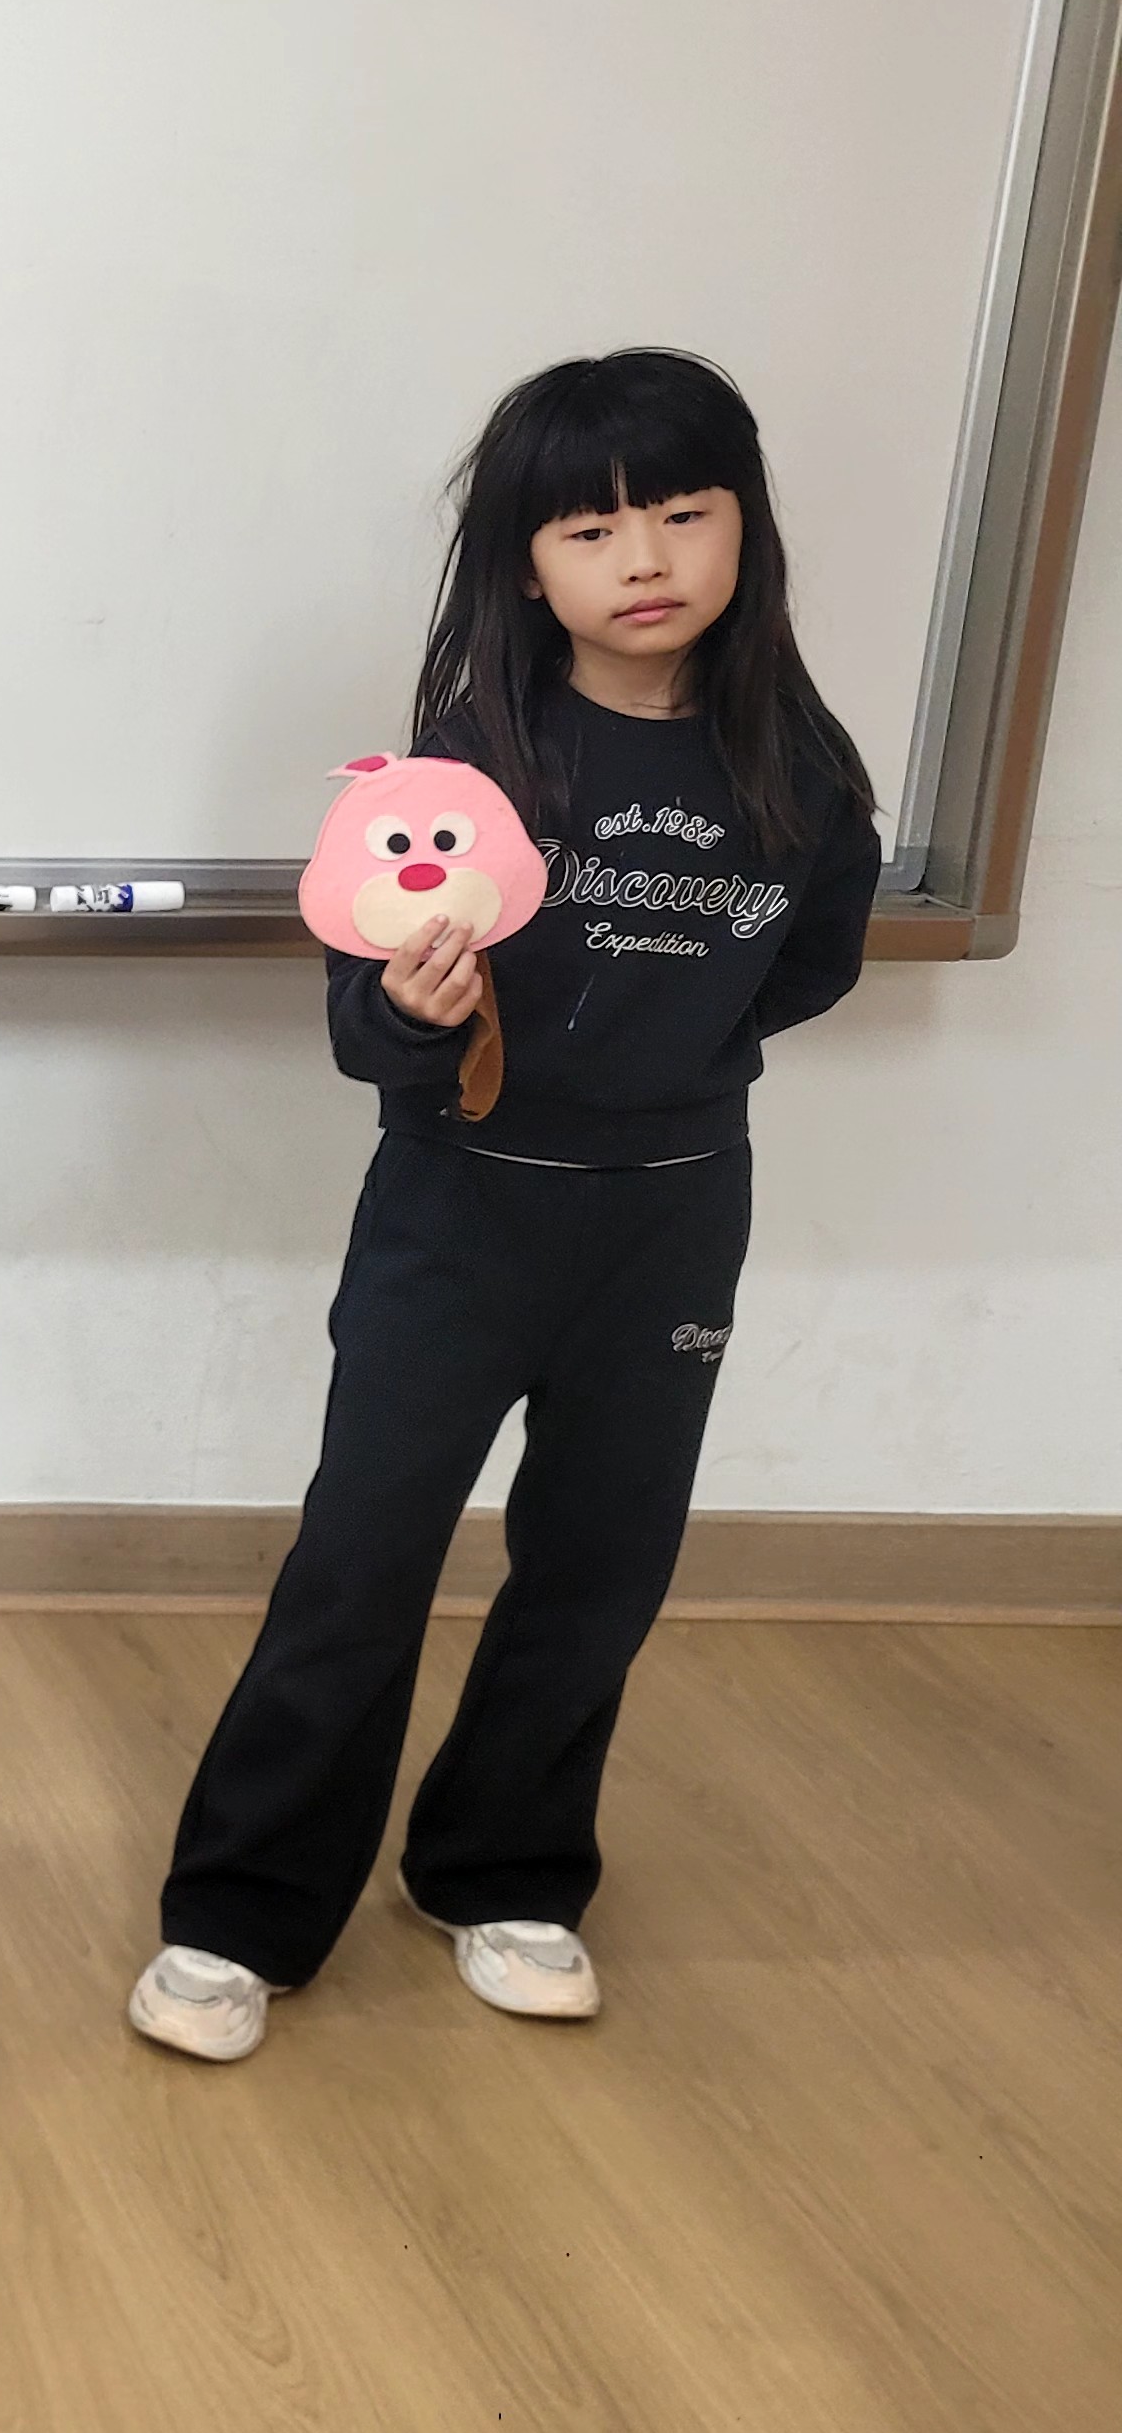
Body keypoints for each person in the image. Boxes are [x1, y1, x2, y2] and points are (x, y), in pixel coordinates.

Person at [132, 349, 879, 2065]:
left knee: (602, 1563)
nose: (646, 558)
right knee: (364, 1557)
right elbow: (362, 1017)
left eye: (683, 512)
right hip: (461, 1210)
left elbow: (810, 963)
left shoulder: (803, 761)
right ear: (527, 567)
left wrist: (665, 1057)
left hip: (673, 1214)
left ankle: (505, 1871)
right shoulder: (472, 762)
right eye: (591, 528)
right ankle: (242, 1911)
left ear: (746, 526)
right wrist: (420, 1015)